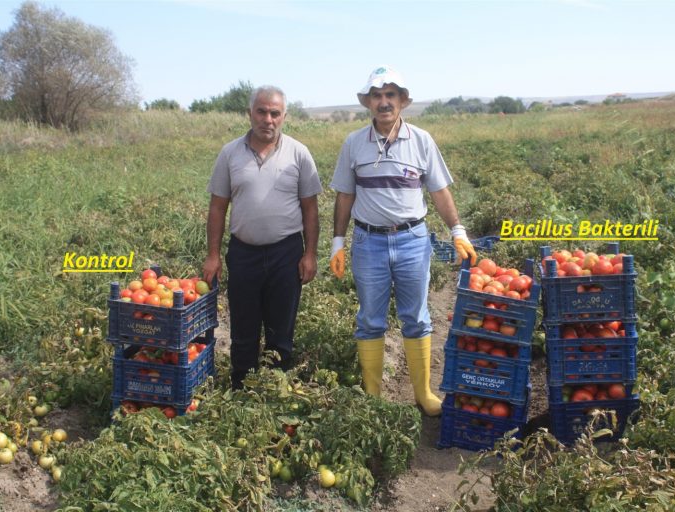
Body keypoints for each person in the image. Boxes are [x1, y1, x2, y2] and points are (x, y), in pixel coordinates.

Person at [329, 66, 477, 416]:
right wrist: (338, 241)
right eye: (377, 96)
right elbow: (344, 196)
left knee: (417, 317)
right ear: (368, 102)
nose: (384, 102)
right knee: (370, 320)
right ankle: (373, 397)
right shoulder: (353, 144)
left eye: (390, 95)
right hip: (369, 242)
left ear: (402, 102)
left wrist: (457, 229)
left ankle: (423, 393)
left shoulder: (422, 140)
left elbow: (439, 192)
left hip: (412, 240)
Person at [203, 85, 322, 390]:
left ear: (284, 116)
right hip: (244, 253)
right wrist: (213, 255)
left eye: (274, 113)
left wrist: (310, 254)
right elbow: (218, 207)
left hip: (287, 253)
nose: (267, 119)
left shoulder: (299, 153)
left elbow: (310, 209)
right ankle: (241, 390)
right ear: (250, 113)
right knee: (243, 328)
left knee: (280, 331)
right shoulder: (230, 153)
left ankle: (275, 391)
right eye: (261, 111)